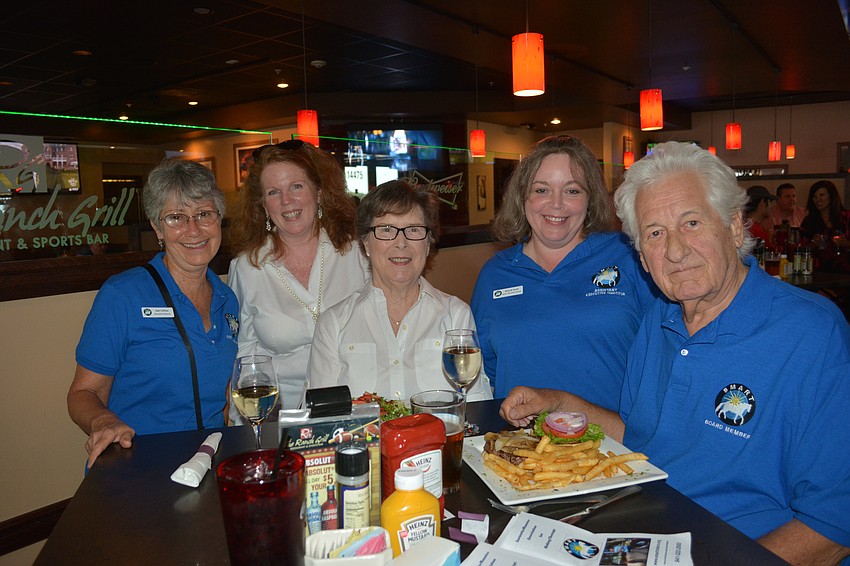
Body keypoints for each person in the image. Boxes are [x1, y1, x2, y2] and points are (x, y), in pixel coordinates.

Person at [501, 142, 850, 566]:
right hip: (639, 538)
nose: (675, 250)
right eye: (654, 233)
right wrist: (559, 402)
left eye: (691, 223)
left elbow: (832, 527)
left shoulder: (811, 332)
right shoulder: (659, 320)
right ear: (642, 260)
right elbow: (639, 436)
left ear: (735, 226)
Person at [68, 159, 239, 466]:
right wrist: (102, 422)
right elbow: (83, 393)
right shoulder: (123, 295)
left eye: (204, 214)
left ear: (219, 218)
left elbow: (223, 398)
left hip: (207, 463)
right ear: (157, 227)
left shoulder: (228, 299)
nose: (193, 229)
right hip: (137, 466)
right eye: (176, 217)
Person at [470, 135, 658, 410]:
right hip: (524, 446)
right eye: (541, 190)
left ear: (590, 198)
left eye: (572, 191)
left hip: (612, 445)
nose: (556, 204)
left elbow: (664, 351)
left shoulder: (628, 256)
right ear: (522, 197)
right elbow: (485, 373)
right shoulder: (495, 274)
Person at [307, 180, 492, 401]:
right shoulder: (333, 324)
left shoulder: (456, 315)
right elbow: (322, 419)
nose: (401, 243)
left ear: (428, 243)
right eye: (386, 230)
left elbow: (474, 407)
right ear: (365, 243)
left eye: (413, 230)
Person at [227, 139, 368, 413]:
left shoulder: (358, 254)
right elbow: (244, 359)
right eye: (273, 192)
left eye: (296, 186)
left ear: (318, 193)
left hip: (358, 409)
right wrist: (245, 429)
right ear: (264, 206)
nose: (286, 201)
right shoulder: (246, 269)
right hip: (281, 419)